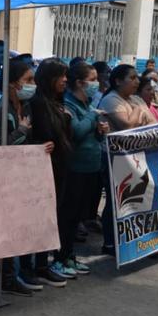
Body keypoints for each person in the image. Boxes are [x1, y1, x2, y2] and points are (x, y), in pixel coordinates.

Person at [0, 59, 46, 293]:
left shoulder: (22, 105)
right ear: (13, 83)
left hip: (16, 178)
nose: (33, 85)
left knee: (12, 228)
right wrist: (22, 131)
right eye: (28, 80)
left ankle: (9, 276)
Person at [98, 64, 158, 250]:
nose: (136, 82)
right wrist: (138, 111)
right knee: (116, 200)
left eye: (136, 78)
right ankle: (110, 242)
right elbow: (127, 126)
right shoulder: (111, 100)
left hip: (136, 157)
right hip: (114, 157)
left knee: (138, 199)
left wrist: (137, 112)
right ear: (117, 81)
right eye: (132, 78)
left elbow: (153, 123)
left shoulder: (135, 99)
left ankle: (132, 238)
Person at [30, 59, 80, 281]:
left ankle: (49, 262)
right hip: (45, 168)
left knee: (55, 216)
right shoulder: (39, 102)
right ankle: (40, 266)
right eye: (60, 76)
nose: (64, 80)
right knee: (44, 218)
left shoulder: (57, 102)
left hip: (61, 166)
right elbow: (47, 133)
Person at [64, 61, 109, 273]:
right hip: (75, 168)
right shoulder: (69, 104)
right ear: (80, 83)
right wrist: (93, 116)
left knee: (79, 216)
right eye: (92, 80)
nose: (96, 83)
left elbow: (91, 133)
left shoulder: (87, 104)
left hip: (91, 167)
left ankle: (70, 255)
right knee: (69, 216)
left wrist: (101, 130)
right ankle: (63, 256)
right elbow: (78, 132)